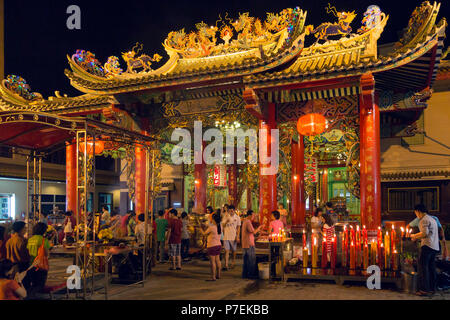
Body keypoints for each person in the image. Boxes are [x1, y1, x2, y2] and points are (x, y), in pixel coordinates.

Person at [410, 204, 440, 296]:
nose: (416, 215)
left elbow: (424, 233)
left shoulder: (423, 220)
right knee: (431, 268)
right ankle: (432, 288)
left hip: (427, 246)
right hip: (434, 246)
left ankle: (424, 289)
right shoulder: (432, 219)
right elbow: (428, 233)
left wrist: (414, 236)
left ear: (418, 211)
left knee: (423, 268)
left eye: (415, 213)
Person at [27, 222, 51, 297]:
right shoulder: (44, 240)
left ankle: (30, 295)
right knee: (40, 285)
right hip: (40, 265)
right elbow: (46, 254)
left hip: (30, 265)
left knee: (33, 283)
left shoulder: (30, 239)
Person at [199, 213, 222, 281]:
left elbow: (204, 233)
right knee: (218, 260)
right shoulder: (220, 226)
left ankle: (213, 277)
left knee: (212, 262)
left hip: (212, 245)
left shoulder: (212, 228)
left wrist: (200, 228)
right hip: (218, 245)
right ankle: (219, 275)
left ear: (214, 220)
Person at [241, 210, 262, 279]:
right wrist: (259, 227)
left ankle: (245, 275)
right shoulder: (248, 222)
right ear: (249, 215)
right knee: (251, 260)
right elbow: (253, 232)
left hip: (245, 243)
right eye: (253, 215)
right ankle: (251, 275)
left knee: (246, 260)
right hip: (249, 243)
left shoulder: (245, 221)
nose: (254, 217)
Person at [221, 205, 241, 270]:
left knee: (233, 251)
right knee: (226, 251)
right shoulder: (225, 217)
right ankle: (226, 264)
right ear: (228, 210)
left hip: (233, 236)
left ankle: (233, 262)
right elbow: (223, 225)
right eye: (230, 210)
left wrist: (237, 237)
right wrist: (226, 221)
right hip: (226, 236)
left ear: (234, 210)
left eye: (232, 210)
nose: (231, 211)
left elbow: (238, 228)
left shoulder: (237, 218)